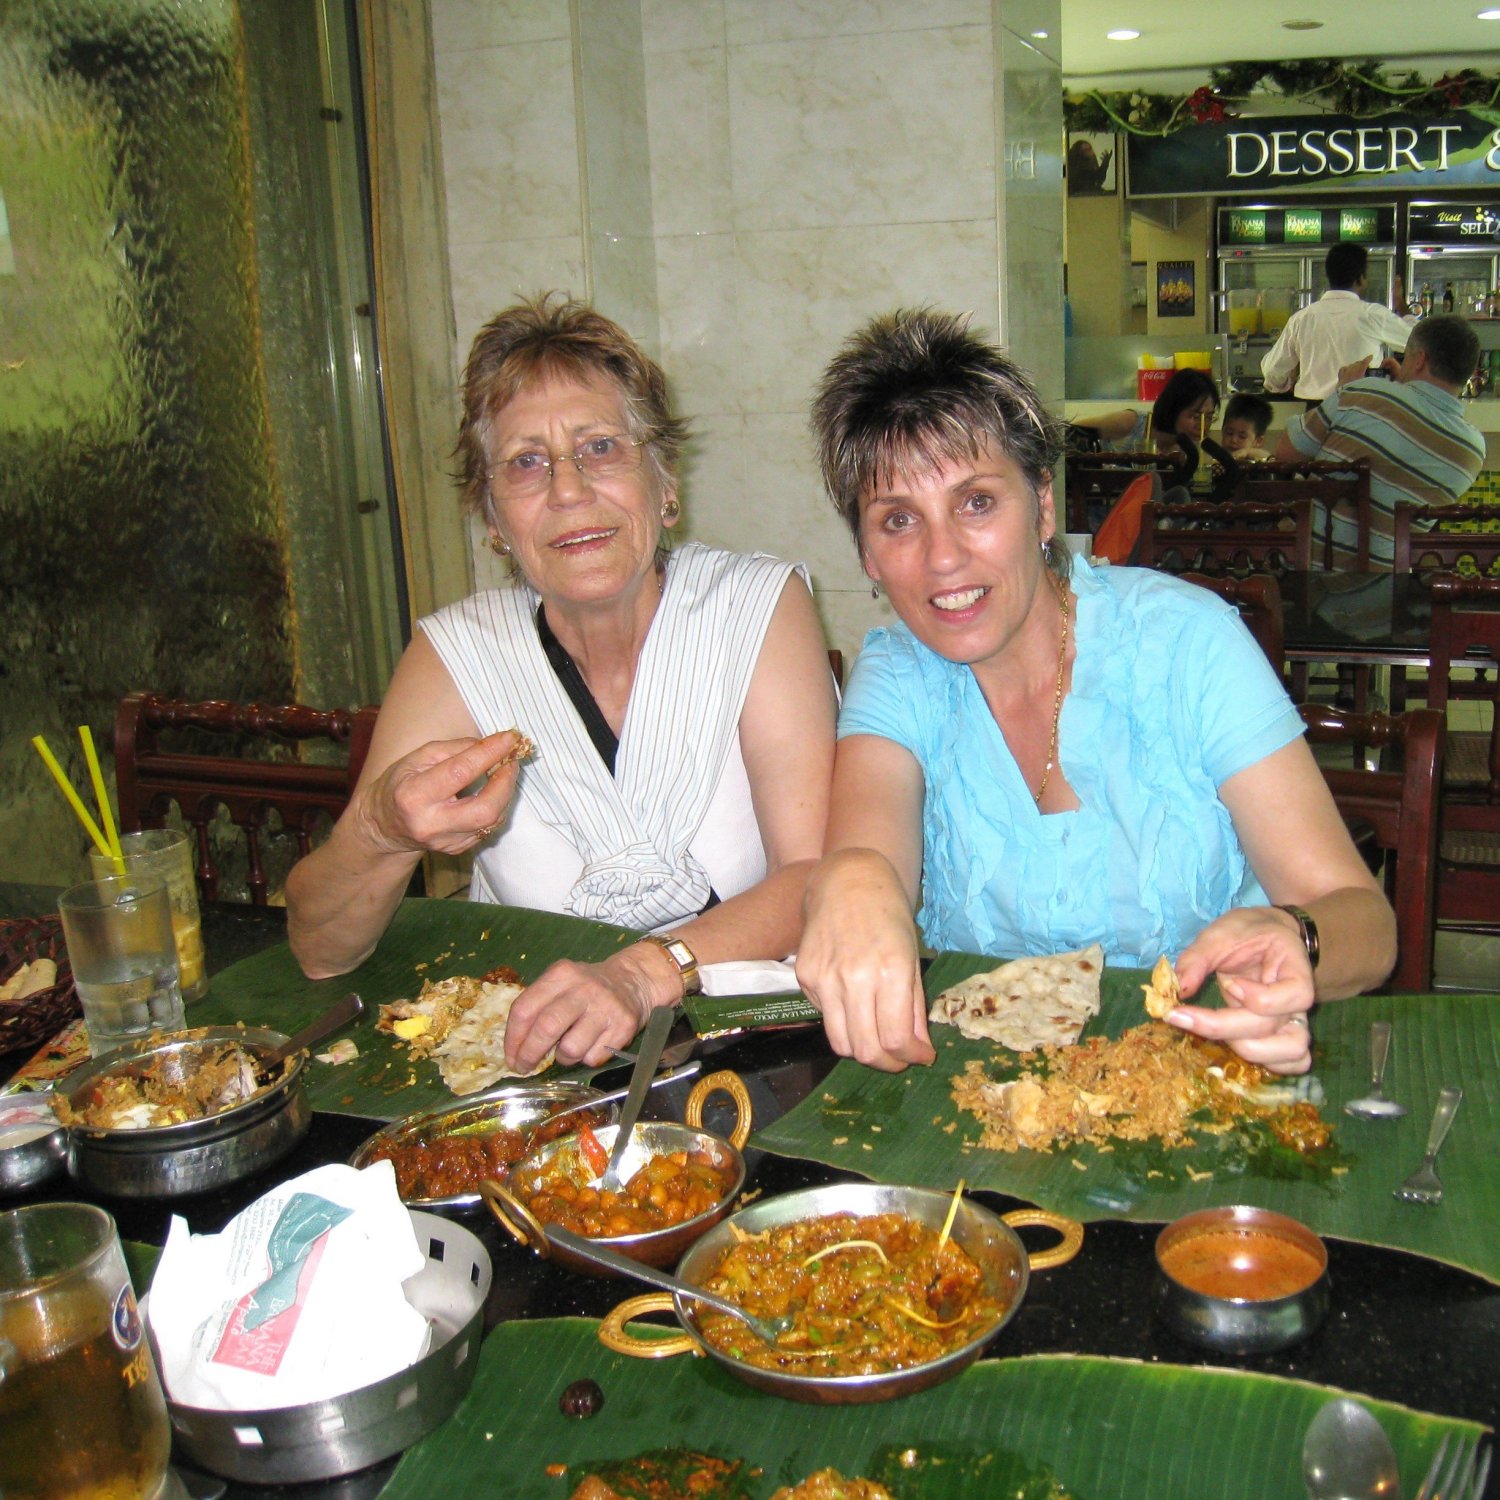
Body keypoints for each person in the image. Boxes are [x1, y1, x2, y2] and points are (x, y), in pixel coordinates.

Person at [795, 307, 1396, 1077]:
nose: (942, 557)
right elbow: (864, 847)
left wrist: (1294, 937)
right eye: (899, 520)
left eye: (977, 502)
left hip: (1213, 1079)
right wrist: (848, 880)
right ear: (868, 557)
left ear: (1042, 506)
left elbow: (1365, 924)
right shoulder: (900, 672)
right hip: (997, 1115)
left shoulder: (1186, 642)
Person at [286, 294, 836, 1070]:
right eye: (526, 463)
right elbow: (321, 953)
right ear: (493, 519)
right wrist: (381, 831)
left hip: (748, 1053)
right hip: (535, 1068)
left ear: (663, 478)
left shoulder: (758, 608)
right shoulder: (457, 655)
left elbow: (816, 877)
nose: (568, 489)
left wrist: (644, 973)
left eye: (601, 447)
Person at [1273, 313, 1484, 568]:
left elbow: (1286, 453)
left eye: (1405, 356)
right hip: (1386, 596)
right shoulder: (1472, 450)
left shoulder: (1363, 392)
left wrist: (1343, 389)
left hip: (1306, 578)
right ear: (1469, 372)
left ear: (1420, 360)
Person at [1261, 243, 1416, 403]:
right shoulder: (1372, 315)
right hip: (1359, 410)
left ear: (1329, 276)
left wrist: (1285, 384)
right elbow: (1419, 341)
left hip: (1314, 413)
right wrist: (1400, 305)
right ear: (1361, 278)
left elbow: (1272, 371)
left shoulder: (1301, 319)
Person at [1067, 368, 1218, 457]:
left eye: (1209, 417)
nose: (1202, 425)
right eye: (1195, 416)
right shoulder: (1131, 423)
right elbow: (1072, 431)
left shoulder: (1191, 449)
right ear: (1174, 408)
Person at [1218, 393, 1273, 462]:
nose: (1233, 440)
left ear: (1258, 441)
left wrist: (1247, 452)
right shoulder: (1219, 459)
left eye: (1242, 436)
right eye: (1229, 433)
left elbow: (1268, 457)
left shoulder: (1257, 461)